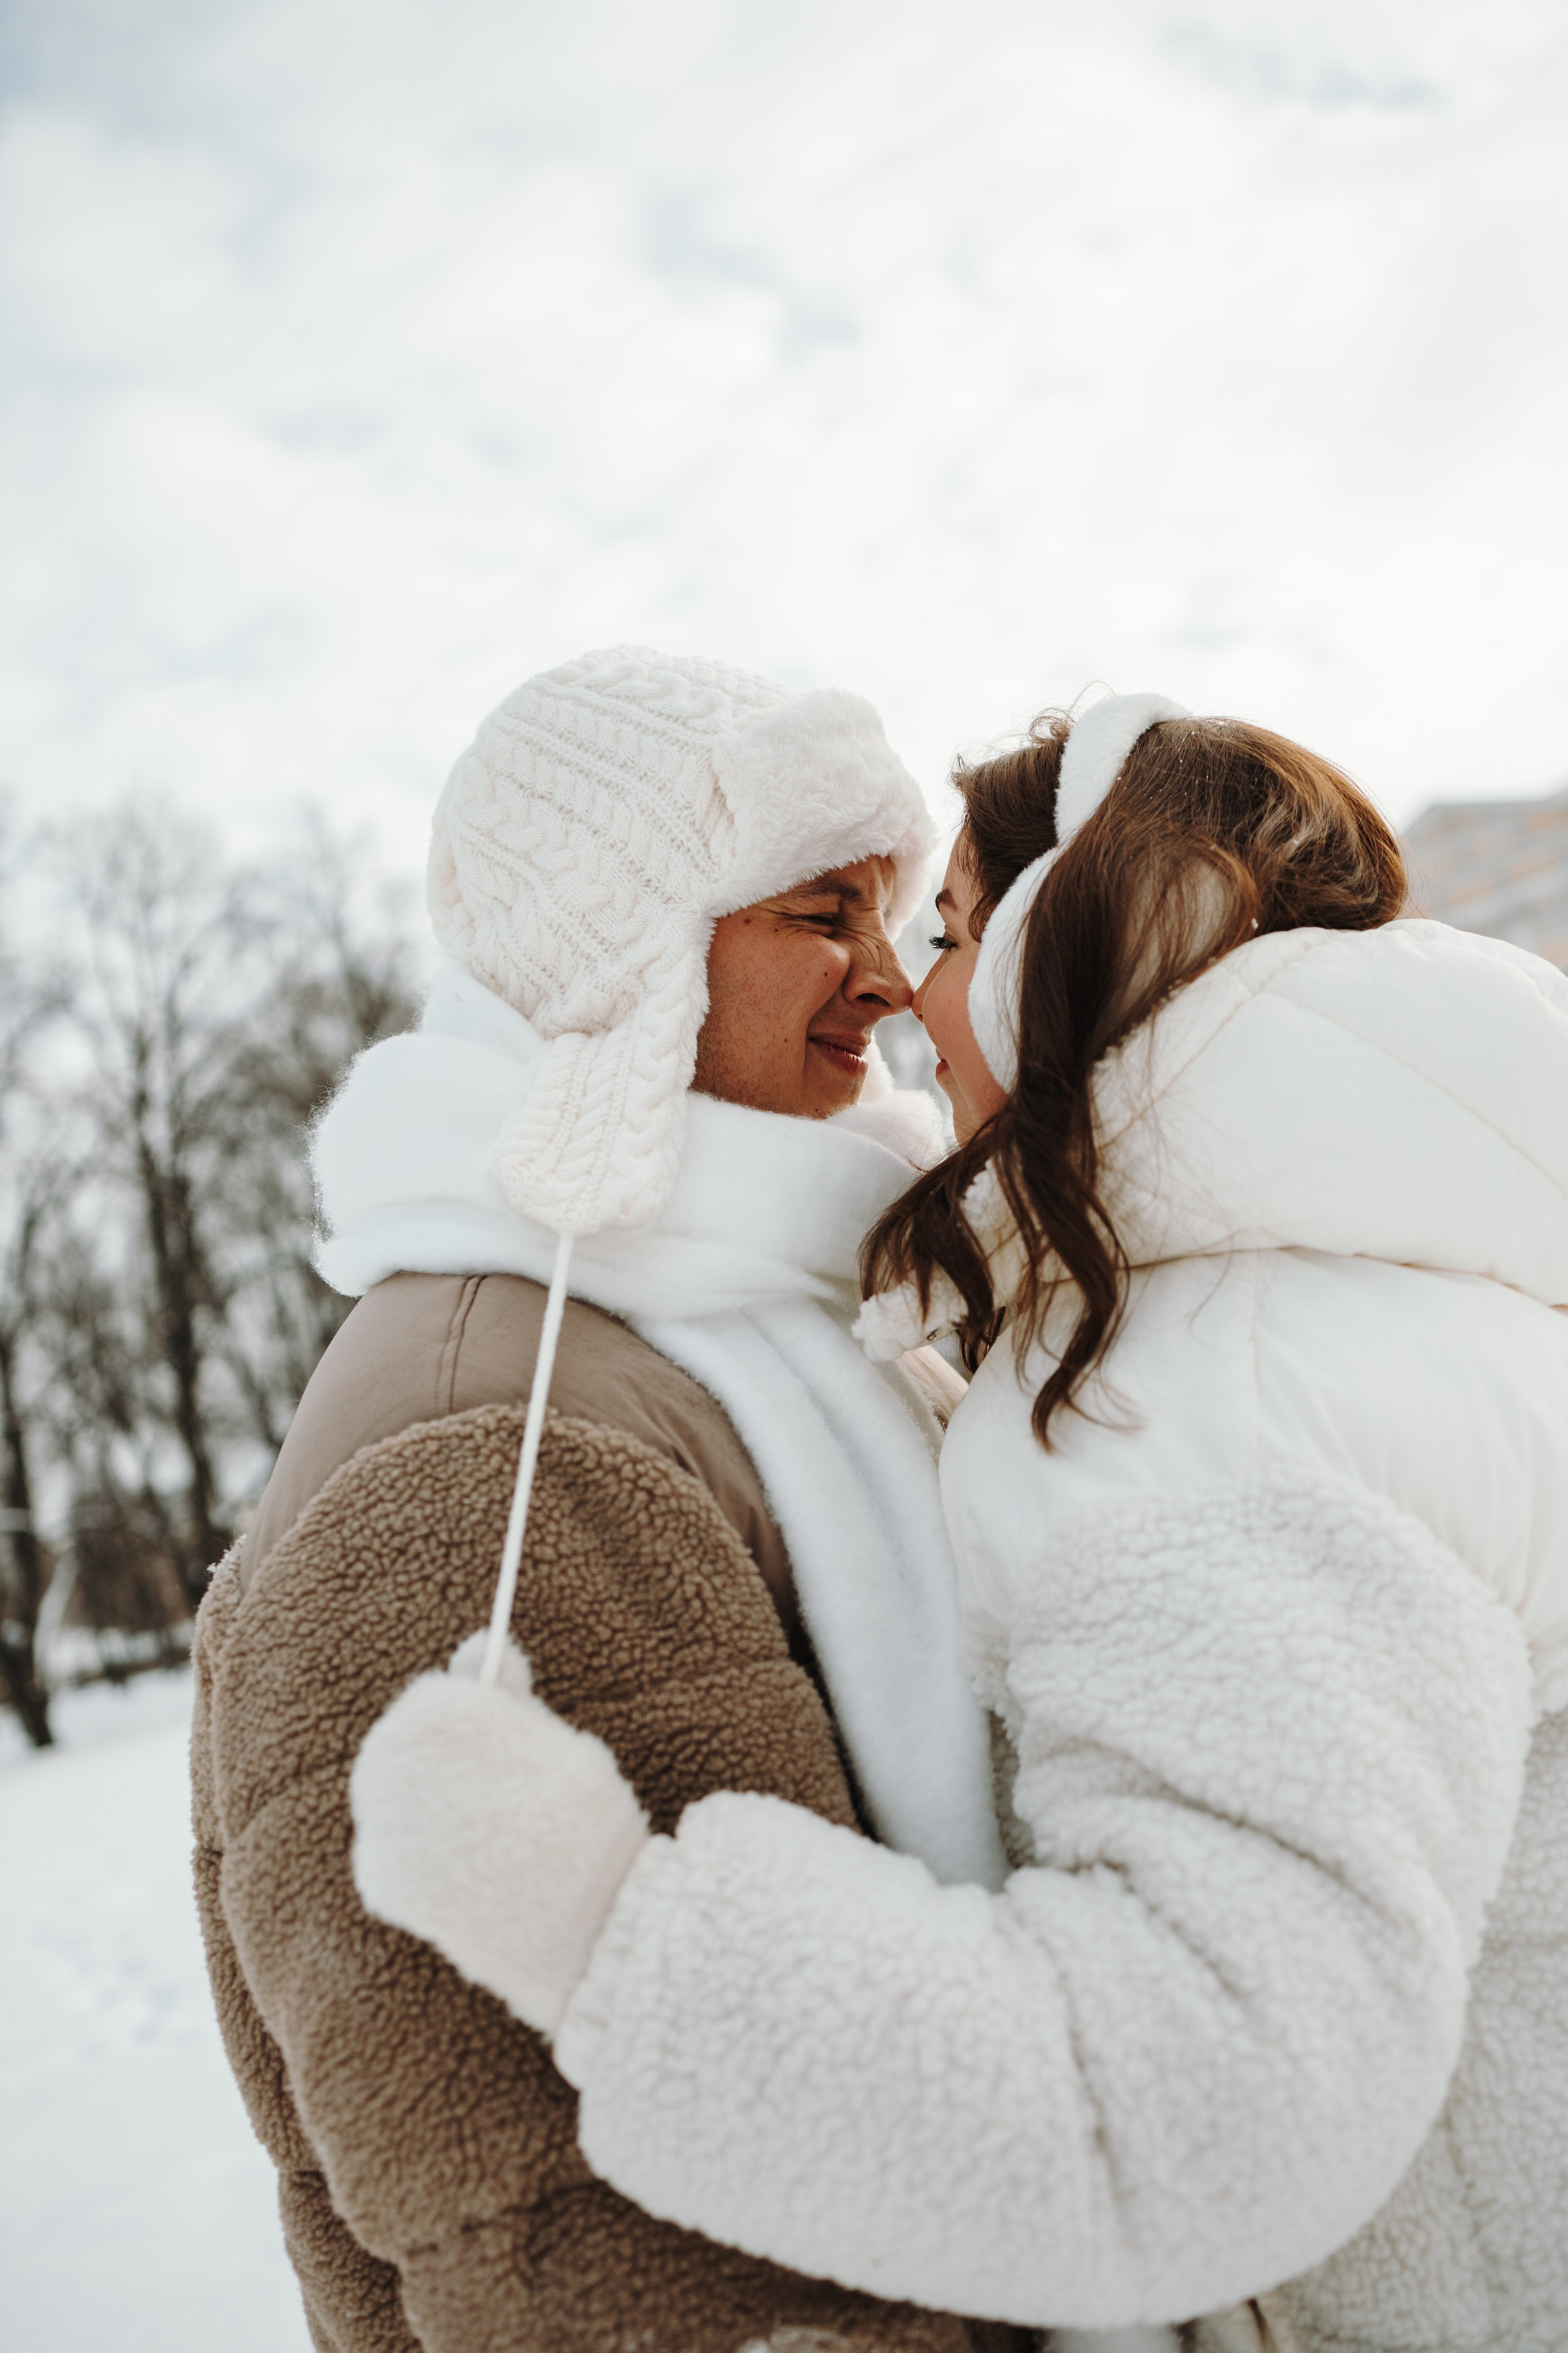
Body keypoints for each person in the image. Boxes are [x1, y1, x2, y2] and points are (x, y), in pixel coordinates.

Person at [352, 692, 1568, 2353]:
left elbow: (1210, 2093)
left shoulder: (1224, 1388)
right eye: (843, 918)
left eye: (945, 930)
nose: (910, 991)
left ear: (1081, 940)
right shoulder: (1325, 1278)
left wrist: (614, 1930)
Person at [190, 644, 1022, 2353]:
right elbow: (586, 2235)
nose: (887, 979)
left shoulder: (779, 1313)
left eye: (889, 913)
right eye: (821, 912)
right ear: (622, 950)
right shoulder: (491, 1435)